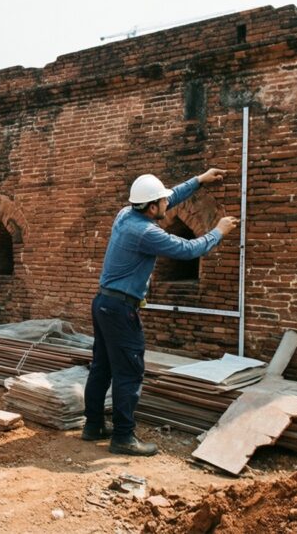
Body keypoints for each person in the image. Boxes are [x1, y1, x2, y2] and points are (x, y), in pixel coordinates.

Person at [82, 170, 238, 456]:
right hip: (121, 310)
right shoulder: (146, 233)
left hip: (103, 304)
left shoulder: (125, 215)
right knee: (129, 371)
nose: (168, 204)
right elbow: (189, 249)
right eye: (162, 202)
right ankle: (123, 438)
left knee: (102, 367)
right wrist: (219, 231)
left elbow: (169, 197)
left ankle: (93, 426)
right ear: (152, 208)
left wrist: (199, 180)